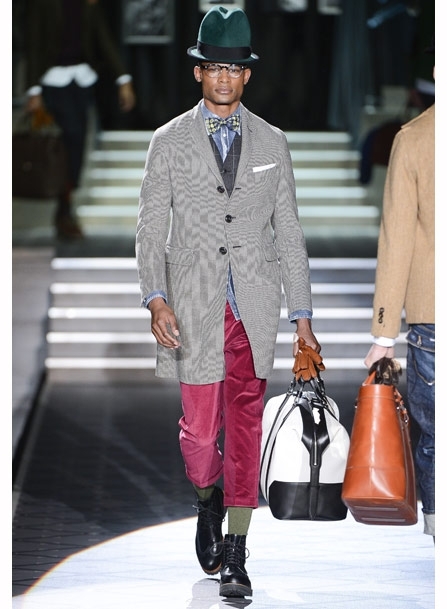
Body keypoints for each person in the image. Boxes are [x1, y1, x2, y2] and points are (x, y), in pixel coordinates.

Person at [136, 5, 320, 599]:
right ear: (198, 72)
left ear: (247, 75)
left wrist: (302, 318)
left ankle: (237, 551)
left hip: (253, 308)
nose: (224, 77)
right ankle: (206, 496)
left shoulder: (273, 142)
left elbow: (288, 232)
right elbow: (149, 229)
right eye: (214, 67)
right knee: (198, 434)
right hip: (192, 307)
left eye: (234, 68)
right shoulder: (168, 141)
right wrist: (155, 298)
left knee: (244, 428)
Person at [364, 42, 434, 540]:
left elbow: (397, 241)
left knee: (435, 439)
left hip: (432, 314)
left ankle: (438, 531)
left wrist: (383, 335)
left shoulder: (414, 139)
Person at [24, 0, 136, 240]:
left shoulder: (89, 4)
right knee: (70, 137)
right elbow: (34, 41)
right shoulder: (44, 5)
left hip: (82, 79)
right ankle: (64, 207)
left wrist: (123, 78)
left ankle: (65, 203)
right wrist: (33, 89)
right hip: (53, 79)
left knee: (76, 143)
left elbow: (102, 39)